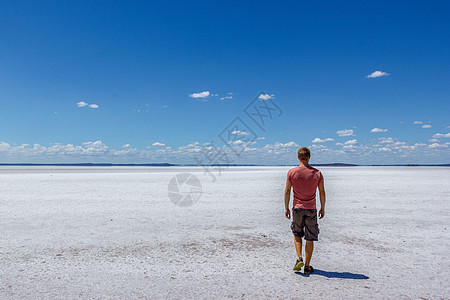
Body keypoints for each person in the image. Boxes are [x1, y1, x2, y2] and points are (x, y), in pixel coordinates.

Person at [284, 147, 326, 275]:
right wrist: (322, 207)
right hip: (311, 209)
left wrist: (286, 207)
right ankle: (307, 266)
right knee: (310, 238)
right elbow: (322, 192)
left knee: (297, 234)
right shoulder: (317, 173)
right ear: (309, 157)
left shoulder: (292, 172)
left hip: (297, 208)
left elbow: (287, 191)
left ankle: (299, 258)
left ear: (298, 157)